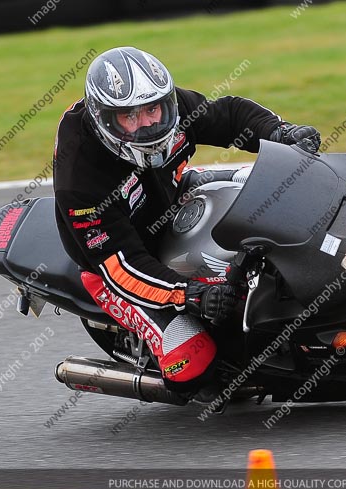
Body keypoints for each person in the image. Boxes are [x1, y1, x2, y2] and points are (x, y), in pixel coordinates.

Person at [53, 46, 320, 397]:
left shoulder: (169, 107)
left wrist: (282, 133)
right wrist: (190, 294)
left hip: (174, 193)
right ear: (105, 119)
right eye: (130, 116)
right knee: (191, 365)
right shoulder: (81, 177)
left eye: (153, 108)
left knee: (280, 188)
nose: (148, 122)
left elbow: (229, 115)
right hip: (114, 260)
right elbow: (123, 268)